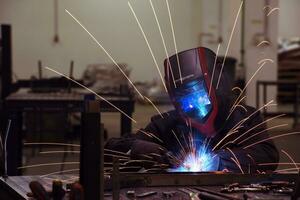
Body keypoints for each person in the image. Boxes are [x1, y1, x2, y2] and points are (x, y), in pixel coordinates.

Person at [105, 47, 279, 173]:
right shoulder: (167, 125)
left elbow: (268, 155)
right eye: (184, 98)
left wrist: (218, 161)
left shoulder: (244, 118)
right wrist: (136, 148)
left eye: (198, 94)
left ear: (216, 84)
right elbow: (109, 150)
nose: (193, 104)